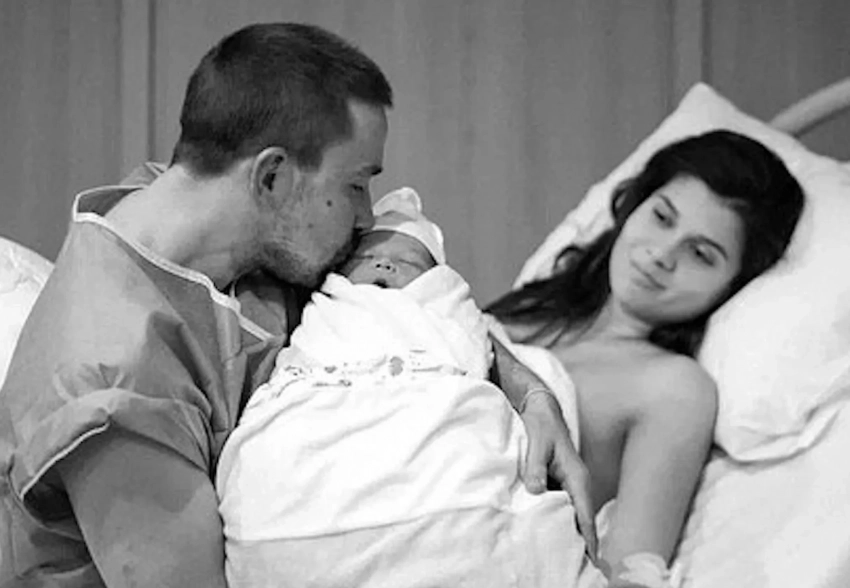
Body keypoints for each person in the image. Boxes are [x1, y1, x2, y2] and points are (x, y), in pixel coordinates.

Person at [0, 22, 590, 588]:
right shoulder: (112, 386)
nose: (367, 215)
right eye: (355, 185)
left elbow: (408, 307)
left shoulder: (200, 210)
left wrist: (532, 395)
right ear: (273, 177)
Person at [216, 187, 605, 588]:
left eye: (409, 262)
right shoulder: (315, 301)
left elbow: (471, 332)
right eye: (365, 259)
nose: (384, 263)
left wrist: (535, 393)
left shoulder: (446, 315)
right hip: (308, 463)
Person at [487, 129, 805, 587]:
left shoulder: (673, 388)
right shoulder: (530, 309)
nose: (661, 254)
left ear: (733, 285)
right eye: (661, 216)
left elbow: (631, 573)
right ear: (633, 204)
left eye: (700, 253)